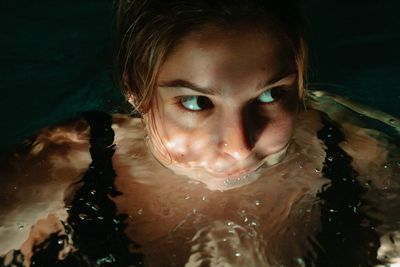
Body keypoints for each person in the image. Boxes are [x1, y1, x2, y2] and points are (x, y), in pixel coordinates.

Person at [1, 0, 399, 266]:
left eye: (270, 94)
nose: (240, 147)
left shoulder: (350, 152)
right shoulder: (66, 165)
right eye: (197, 102)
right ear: (135, 90)